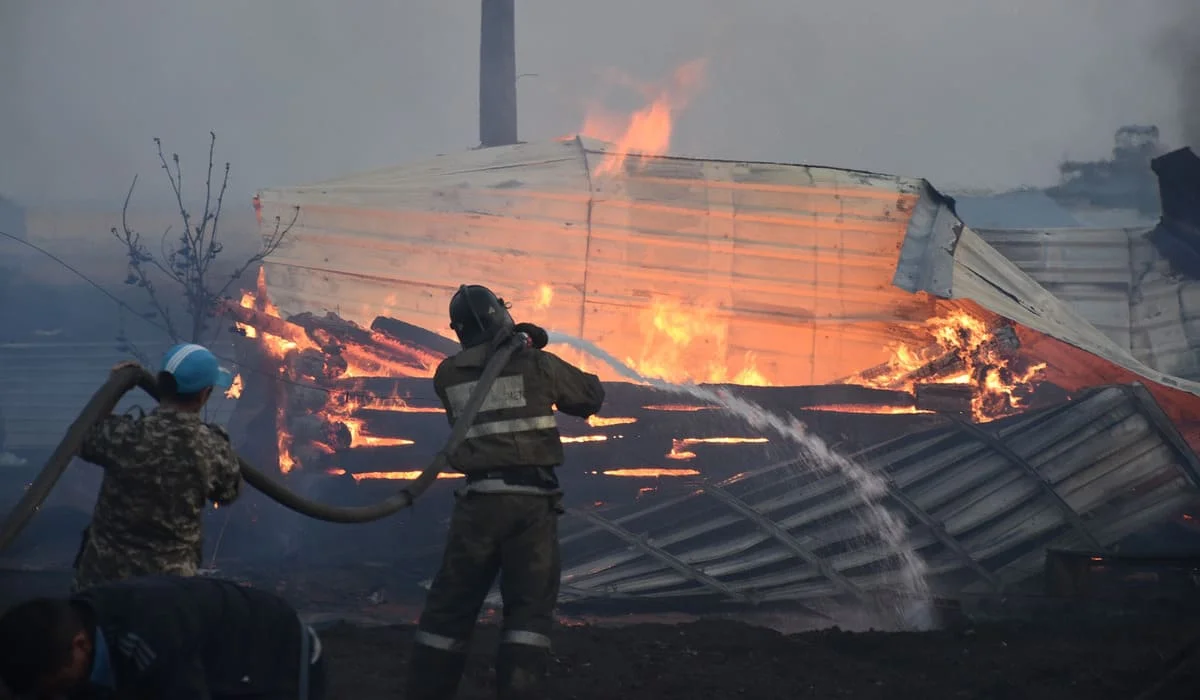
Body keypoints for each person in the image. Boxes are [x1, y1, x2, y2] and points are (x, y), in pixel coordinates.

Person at [405, 285, 605, 700]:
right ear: (500, 316)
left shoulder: (446, 375)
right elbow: (590, 396)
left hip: (477, 506)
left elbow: (483, 376)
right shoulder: (537, 365)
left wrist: (516, 344)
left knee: (449, 610)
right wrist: (530, 343)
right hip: (531, 509)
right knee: (528, 615)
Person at [72, 343, 242, 592]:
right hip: (167, 589)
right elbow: (228, 494)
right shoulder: (212, 448)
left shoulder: (126, 435)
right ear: (204, 394)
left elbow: (83, 438)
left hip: (102, 580)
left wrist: (115, 387)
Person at [0, 575, 326, 700]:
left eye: (57, 687)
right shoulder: (80, 626)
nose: (55, 697)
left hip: (276, 653)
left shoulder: (149, 638)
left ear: (80, 645)